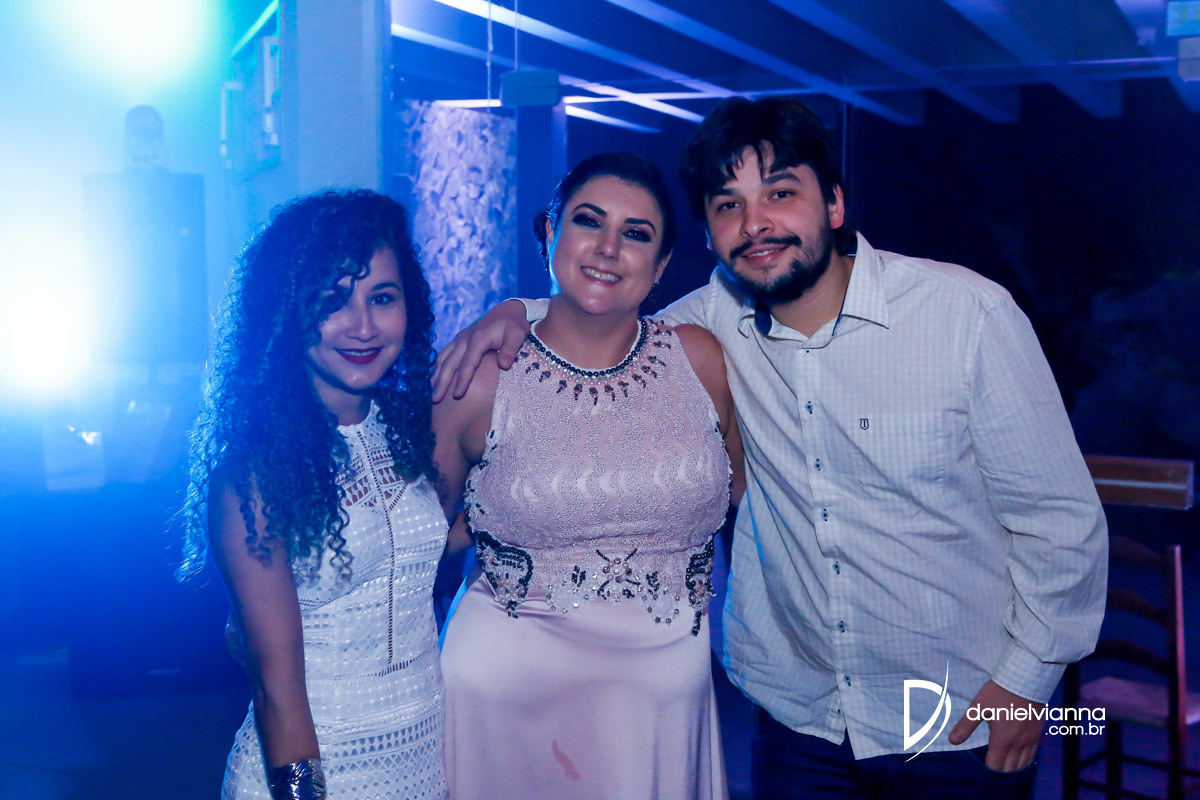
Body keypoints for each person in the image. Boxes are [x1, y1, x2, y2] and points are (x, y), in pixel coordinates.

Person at [433, 98, 1108, 800]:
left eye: (780, 194)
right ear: (709, 235)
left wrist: (1026, 685)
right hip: (798, 722)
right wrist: (515, 312)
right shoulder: (706, 332)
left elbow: (1061, 520)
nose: (755, 223)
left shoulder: (966, 315)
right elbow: (598, 319)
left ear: (835, 204)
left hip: (952, 717)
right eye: (729, 205)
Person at [432, 153, 744, 800]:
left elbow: (740, 495)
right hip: (502, 695)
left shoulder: (701, 361)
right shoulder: (479, 375)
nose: (608, 247)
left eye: (636, 233)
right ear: (551, 232)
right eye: (588, 221)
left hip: (661, 702)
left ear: (660, 265)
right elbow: (416, 540)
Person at [178, 190, 448, 800]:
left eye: (382, 298)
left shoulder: (406, 429)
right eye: (332, 301)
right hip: (312, 775)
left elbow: (414, 544)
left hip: (422, 762)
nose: (363, 326)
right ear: (286, 312)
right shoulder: (253, 473)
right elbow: (276, 690)